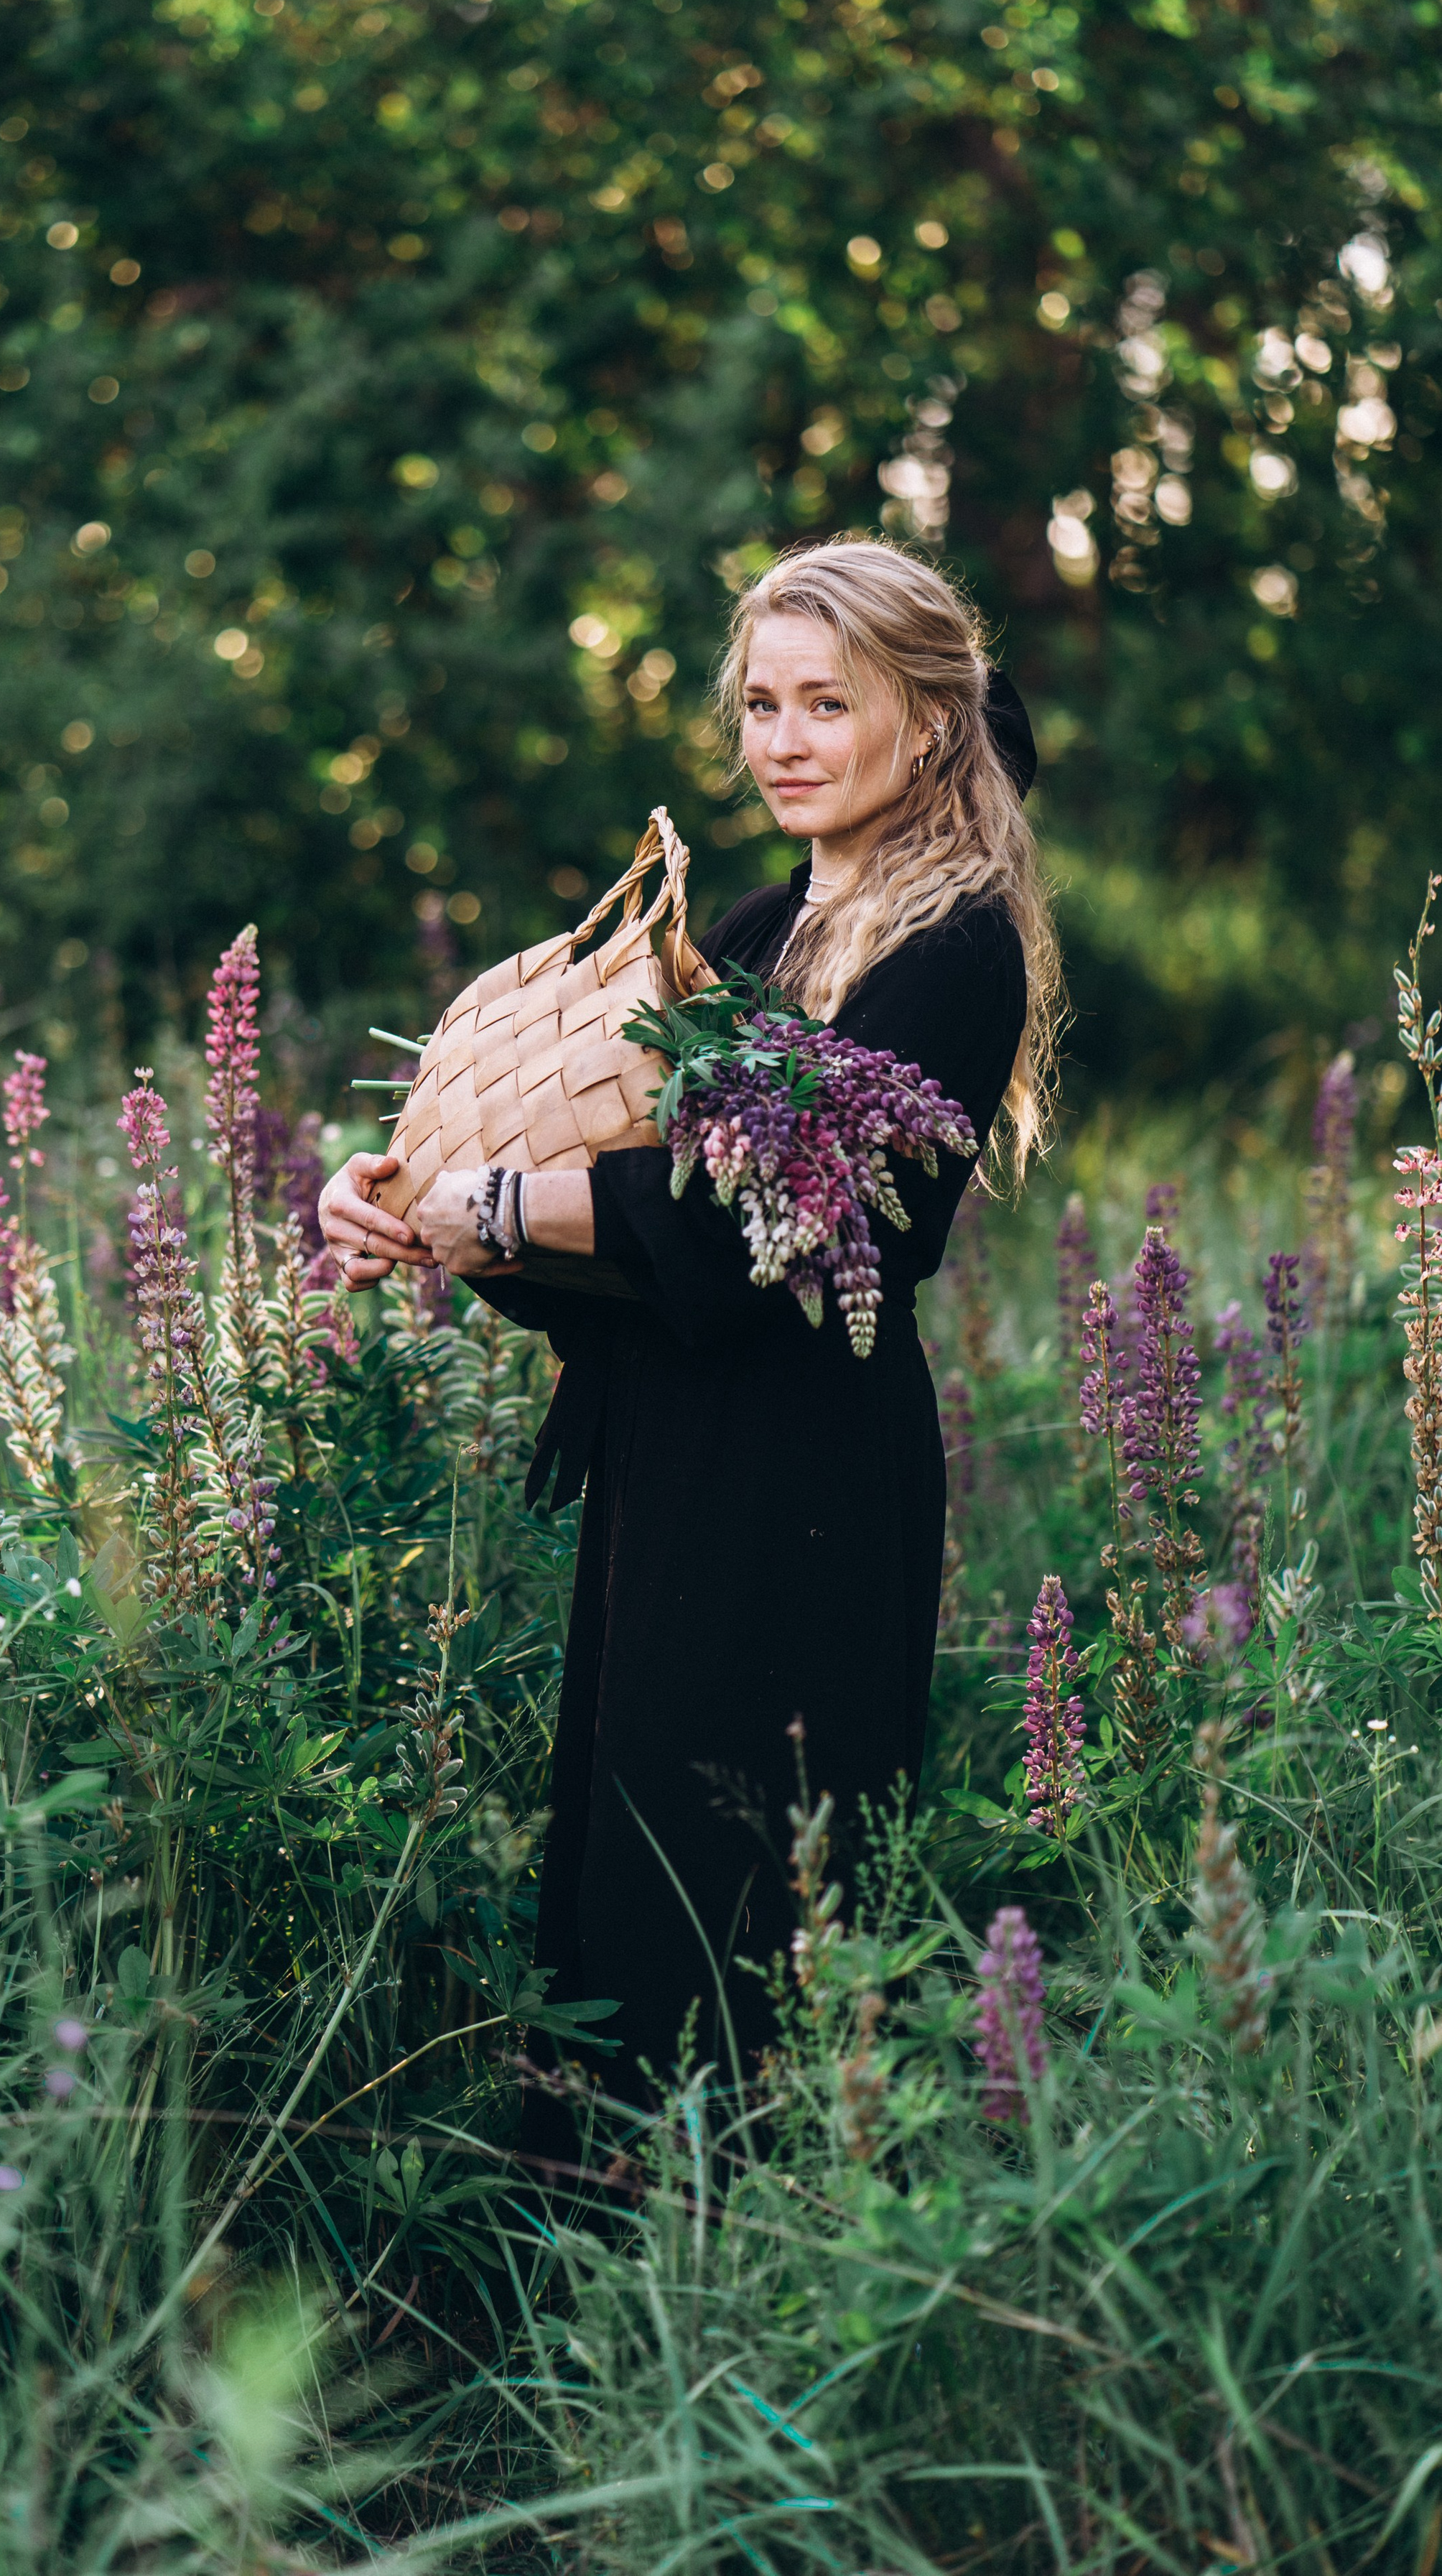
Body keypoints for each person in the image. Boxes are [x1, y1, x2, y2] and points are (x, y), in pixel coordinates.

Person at [316, 535, 1061, 2116]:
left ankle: (747, 2256)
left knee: (748, 1880)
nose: (779, 743)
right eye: (758, 707)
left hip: (805, 1473)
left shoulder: (954, 953)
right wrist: (414, 1204)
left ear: (923, 724)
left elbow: (778, 1227)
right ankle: (591, 2245)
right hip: (671, 1449)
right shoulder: (747, 927)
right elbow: (628, 1220)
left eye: (823, 706)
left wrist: (514, 1209)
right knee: (625, 1855)